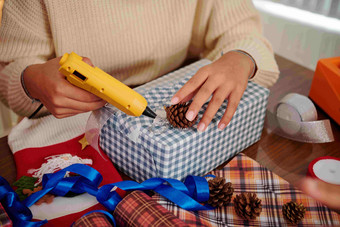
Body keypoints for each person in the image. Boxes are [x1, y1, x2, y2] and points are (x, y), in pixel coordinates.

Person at [0, 0, 279, 132]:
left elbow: (246, 36)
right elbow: (9, 71)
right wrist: (30, 79)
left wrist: (243, 57)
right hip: (66, 127)